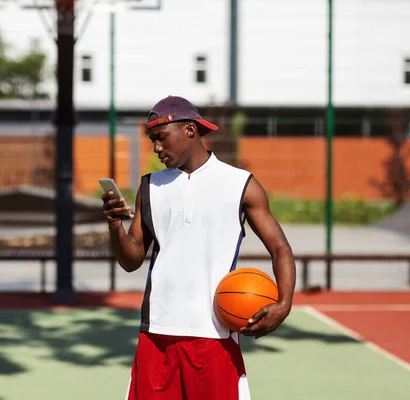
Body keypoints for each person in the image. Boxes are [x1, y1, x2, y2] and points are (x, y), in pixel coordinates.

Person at [101, 95, 296, 400]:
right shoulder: (149, 186)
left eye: (161, 137)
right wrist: (115, 226)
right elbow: (131, 259)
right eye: (153, 140)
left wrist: (284, 304)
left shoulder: (240, 184)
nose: (156, 148)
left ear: (190, 130)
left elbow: (280, 248)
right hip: (157, 334)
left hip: (215, 335)